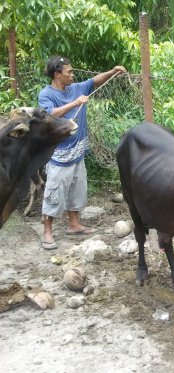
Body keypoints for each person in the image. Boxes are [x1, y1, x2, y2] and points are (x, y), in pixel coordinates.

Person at [38, 56, 126, 250]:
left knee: (77, 188)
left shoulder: (76, 88)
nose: (72, 74)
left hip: (78, 152)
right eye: (69, 72)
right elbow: (50, 115)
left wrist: (112, 72)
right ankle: (47, 232)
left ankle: (74, 224)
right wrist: (75, 103)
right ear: (57, 74)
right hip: (59, 155)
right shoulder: (46, 94)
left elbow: (94, 81)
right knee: (55, 193)